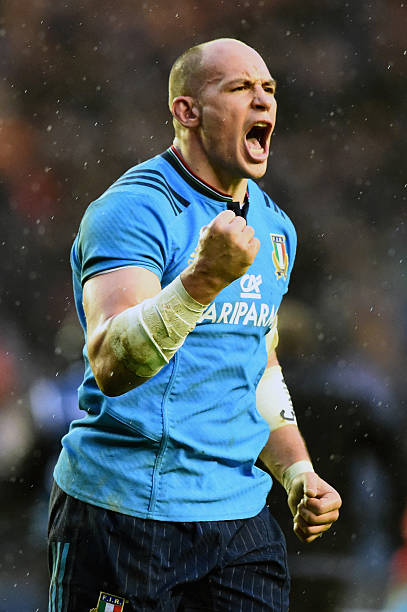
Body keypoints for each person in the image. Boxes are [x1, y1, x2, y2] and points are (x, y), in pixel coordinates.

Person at [48, 38, 341, 611]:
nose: (263, 101)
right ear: (187, 112)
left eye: (269, 90)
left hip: (239, 518)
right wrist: (202, 280)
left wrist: (297, 469)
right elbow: (111, 363)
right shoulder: (132, 210)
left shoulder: (275, 228)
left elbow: (259, 360)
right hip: (125, 511)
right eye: (239, 88)